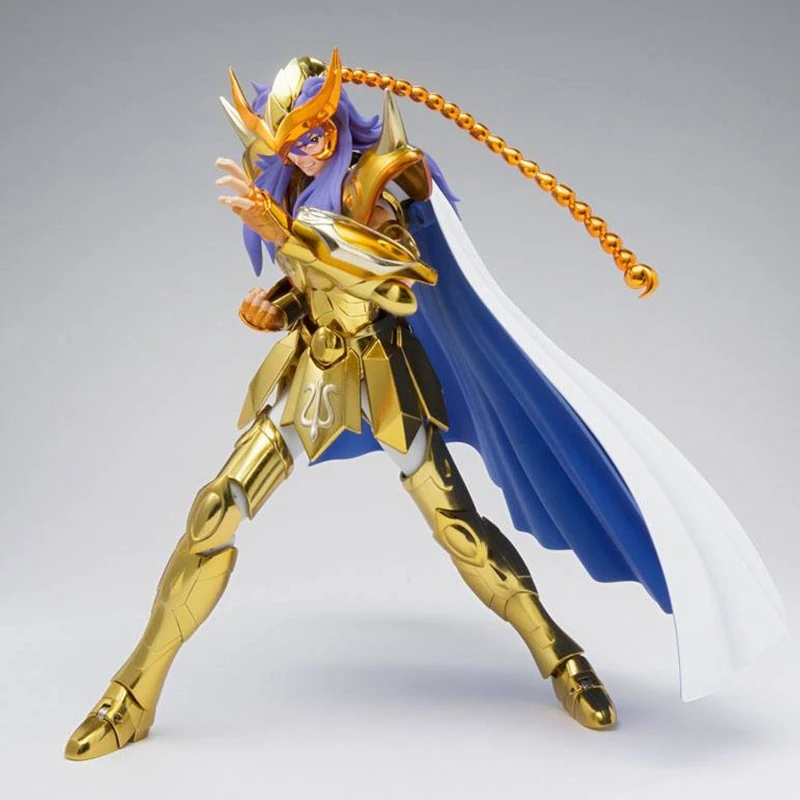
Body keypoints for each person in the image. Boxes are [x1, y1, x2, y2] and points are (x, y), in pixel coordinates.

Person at [65, 49, 786, 761]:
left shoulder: (374, 184)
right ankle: (133, 693)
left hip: (385, 381)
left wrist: (291, 236)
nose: (307, 151)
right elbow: (312, 290)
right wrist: (275, 305)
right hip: (313, 376)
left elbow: (395, 281)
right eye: (292, 144)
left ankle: (559, 652)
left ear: (337, 116)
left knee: (460, 530)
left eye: (315, 133)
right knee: (214, 508)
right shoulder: (290, 193)